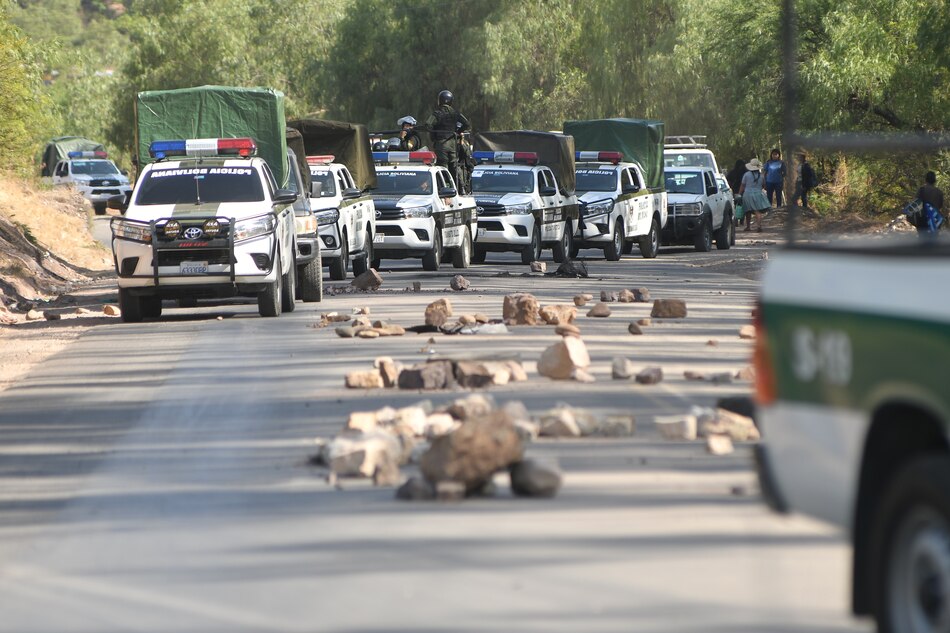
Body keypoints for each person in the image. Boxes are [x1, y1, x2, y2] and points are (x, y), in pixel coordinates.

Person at [424, 90, 470, 189]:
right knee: (454, 166)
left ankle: (444, 188)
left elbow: (428, 125)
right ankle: (461, 188)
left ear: (439, 100)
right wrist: (457, 131)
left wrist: (433, 133)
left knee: (442, 166)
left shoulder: (437, 113)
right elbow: (466, 124)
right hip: (453, 144)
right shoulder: (455, 113)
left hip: (441, 144)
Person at [739, 158, 770, 232]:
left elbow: (742, 185)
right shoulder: (761, 176)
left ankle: (748, 226)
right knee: (757, 211)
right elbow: (764, 185)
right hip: (758, 194)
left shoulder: (746, 175)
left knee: (748, 211)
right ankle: (759, 226)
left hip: (747, 195)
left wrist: (739, 194)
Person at [915, 171, 945, 236]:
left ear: (926, 179)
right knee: (934, 239)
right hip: (935, 219)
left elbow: (917, 203)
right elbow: (940, 205)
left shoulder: (921, 190)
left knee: (923, 238)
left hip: (923, 219)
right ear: (934, 180)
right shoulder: (939, 192)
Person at [725, 159, 748, 228]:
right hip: (744, 191)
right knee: (743, 206)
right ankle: (741, 220)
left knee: (735, 206)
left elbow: (728, 181)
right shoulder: (746, 173)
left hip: (735, 191)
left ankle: (736, 220)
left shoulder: (732, 172)